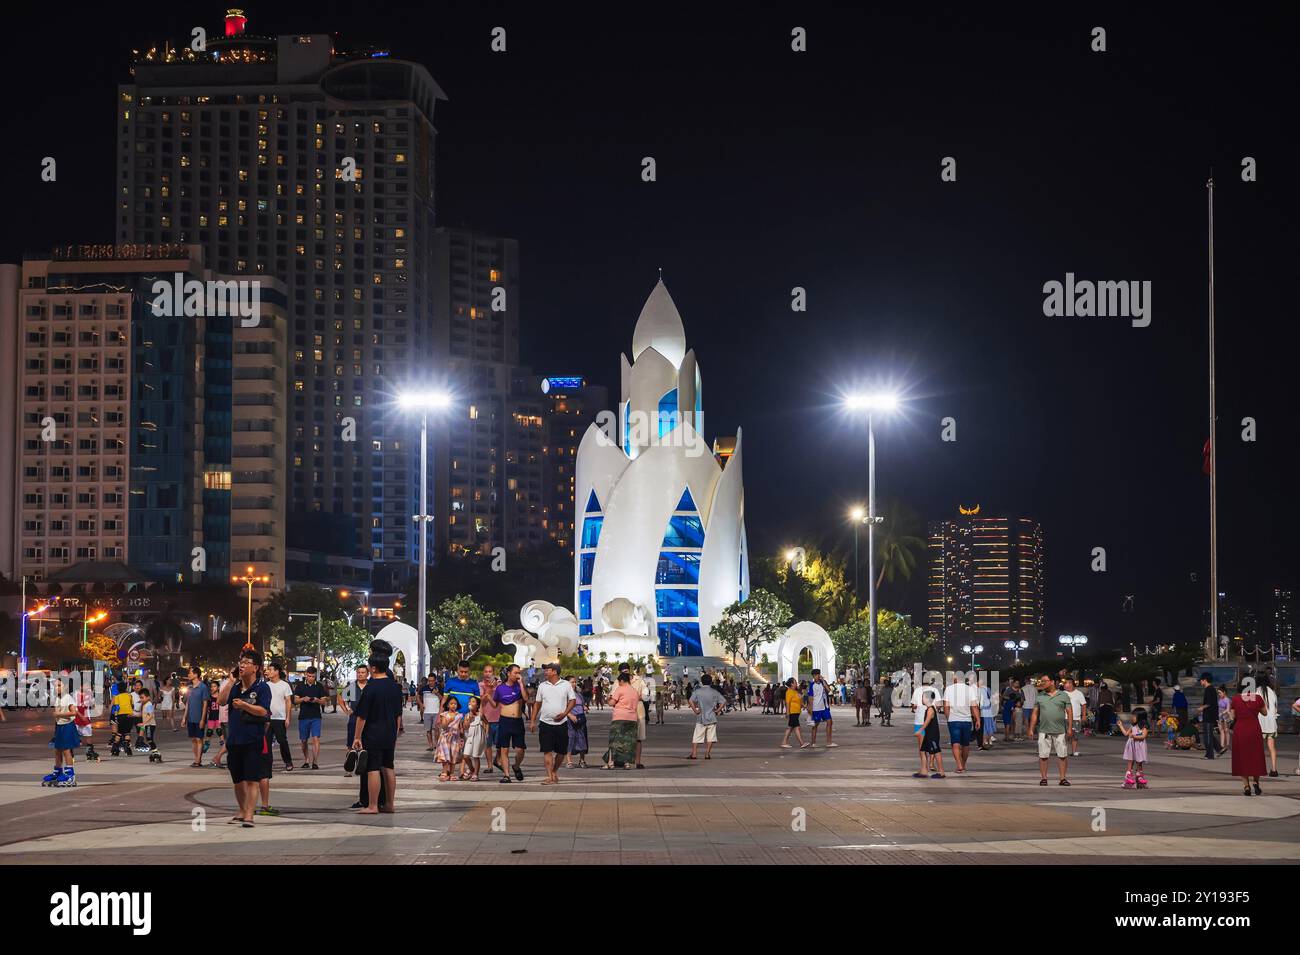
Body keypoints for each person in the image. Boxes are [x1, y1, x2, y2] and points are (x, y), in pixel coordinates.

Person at [217, 652, 272, 828]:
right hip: (234, 740)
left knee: (252, 779)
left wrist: (245, 706)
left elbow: (264, 711)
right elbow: (221, 701)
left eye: (247, 663)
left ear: (256, 668)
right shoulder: (235, 686)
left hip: (253, 739)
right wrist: (231, 681)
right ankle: (242, 811)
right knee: (237, 779)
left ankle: (249, 815)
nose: (242, 665)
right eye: (241, 662)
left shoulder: (262, 688)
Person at [351, 648, 405, 813]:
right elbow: (398, 715)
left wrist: (357, 737)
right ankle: (390, 804)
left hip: (373, 733)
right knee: (388, 767)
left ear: (373, 668)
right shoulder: (395, 687)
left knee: (373, 768)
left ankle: (373, 805)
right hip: (389, 734)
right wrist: (394, 734)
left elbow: (362, 716)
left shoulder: (371, 687)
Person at [531, 662, 577, 785]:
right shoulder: (542, 686)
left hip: (561, 723)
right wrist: (532, 720)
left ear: (555, 672)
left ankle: (554, 771)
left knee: (561, 752)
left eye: (547, 670)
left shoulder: (566, 685)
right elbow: (537, 703)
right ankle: (550, 776)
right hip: (545, 723)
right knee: (547, 750)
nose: (545, 672)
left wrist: (565, 713)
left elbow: (573, 700)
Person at [1029, 674, 1072, 786]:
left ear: (1052, 682)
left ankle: (1062, 778)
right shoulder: (1040, 697)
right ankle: (1044, 778)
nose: (1042, 683)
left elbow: (1069, 712)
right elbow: (1034, 714)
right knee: (1043, 756)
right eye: (1041, 681)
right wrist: (1031, 729)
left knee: (1062, 755)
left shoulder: (1063, 696)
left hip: (1060, 730)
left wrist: (1070, 728)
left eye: (1044, 681)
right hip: (1044, 730)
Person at [1228, 681, 1266, 796]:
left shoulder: (1235, 699)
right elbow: (1265, 713)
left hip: (1240, 730)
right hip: (1254, 729)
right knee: (1256, 756)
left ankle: (1246, 786)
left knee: (1242, 757)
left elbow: (1233, 716)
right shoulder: (1258, 698)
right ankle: (1256, 782)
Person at [493, 665, 529, 783]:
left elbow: (526, 698)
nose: (517, 675)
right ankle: (506, 775)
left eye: (519, 673)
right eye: (515, 673)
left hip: (517, 721)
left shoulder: (519, 687)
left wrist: (522, 684)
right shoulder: (500, 688)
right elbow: (495, 704)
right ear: (508, 673)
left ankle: (516, 766)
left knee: (520, 750)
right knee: (504, 749)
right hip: (504, 721)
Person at [44, 678, 81, 787]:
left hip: (67, 726)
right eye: (56, 686)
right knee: (57, 749)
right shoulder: (58, 698)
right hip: (60, 726)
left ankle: (70, 775)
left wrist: (59, 715)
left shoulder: (68, 698)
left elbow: (74, 712)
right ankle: (58, 771)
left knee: (66, 750)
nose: (57, 688)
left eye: (59, 685)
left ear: (66, 686)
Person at [942, 674, 979, 773]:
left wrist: (948, 717)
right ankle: (963, 765)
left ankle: (959, 765)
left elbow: (946, 706)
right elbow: (974, 706)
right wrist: (978, 719)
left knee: (955, 744)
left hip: (953, 720)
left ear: (955, 679)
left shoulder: (949, 689)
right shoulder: (970, 689)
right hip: (967, 720)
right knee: (965, 744)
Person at [604, 671, 639, 770]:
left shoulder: (620, 689)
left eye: (619, 681)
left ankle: (611, 762)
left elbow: (611, 703)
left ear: (622, 680)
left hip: (620, 718)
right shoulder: (634, 691)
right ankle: (626, 763)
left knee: (614, 740)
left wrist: (607, 698)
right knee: (628, 742)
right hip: (632, 719)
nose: (618, 683)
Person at [264, 660, 295, 773]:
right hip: (267, 719)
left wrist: (288, 717)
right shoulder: (265, 685)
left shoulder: (285, 685)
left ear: (277, 671)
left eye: (270, 669)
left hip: (280, 718)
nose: (268, 671)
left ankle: (288, 761)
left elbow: (288, 702)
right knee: (266, 743)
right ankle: (268, 764)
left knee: (282, 741)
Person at [293, 667, 326, 769]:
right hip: (303, 716)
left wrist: (317, 700)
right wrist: (303, 699)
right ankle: (306, 760)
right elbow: (295, 700)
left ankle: (315, 762)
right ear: (306, 675)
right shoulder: (300, 685)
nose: (311, 678)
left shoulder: (320, 686)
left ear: (315, 675)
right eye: (309, 676)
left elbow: (324, 701)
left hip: (316, 716)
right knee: (304, 740)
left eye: (312, 676)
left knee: (316, 738)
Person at [687, 673, 726, 760]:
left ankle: (694, 754)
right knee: (711, 737)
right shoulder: (714, 692)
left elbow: (690, 700)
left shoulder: (698, 691)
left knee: (697, 737)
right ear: (711, 682)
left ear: (702, 681)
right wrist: (717, 710)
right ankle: (707, 754)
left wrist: (695, 710)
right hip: (712, 717)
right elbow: (723, 701)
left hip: (701, 717)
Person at [339, 664, 369, 774]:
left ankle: (364, 767)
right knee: (350, 744)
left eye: (363, 672)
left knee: (365, 743)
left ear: (367, 674)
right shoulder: (352, 687)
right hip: (354, 718)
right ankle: (349, 769)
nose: (360, 674)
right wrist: (346, 709)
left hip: (367, 719)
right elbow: (340, 698)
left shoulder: (370, 686)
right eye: (359, 672)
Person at [913, 697, 945, 779]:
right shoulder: (927, 709)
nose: (921, 699)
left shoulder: (931, 709)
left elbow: (927, 722)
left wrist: (920, 730)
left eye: (923, 697)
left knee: (936, 751)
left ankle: (941, 772)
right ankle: (924, 771)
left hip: (933, 734)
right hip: (928, 734)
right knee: (923, 751)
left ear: (927, 699)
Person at [436, 696, 465, 781]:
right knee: (445, 756)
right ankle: (444, 772)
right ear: (448, 705)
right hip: (445, 738)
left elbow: (461, 728)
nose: (453, 705)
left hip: (455, 738)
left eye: (455, 704)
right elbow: (444, 726)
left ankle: (452, 773)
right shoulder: (444, 714)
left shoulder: (459, 715)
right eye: (451, 703)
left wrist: (461, 737)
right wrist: (449, 719)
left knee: (453, 756)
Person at [1118, 709, 1149, 789]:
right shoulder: (1133, 726)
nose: (1132, 717)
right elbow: (1126, 734)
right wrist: (1121, 726)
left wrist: (1134, 736)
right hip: (1131, 746)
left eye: (1134, 716)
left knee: (1139, 762)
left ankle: (1139, 777)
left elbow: (1143, 736)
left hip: (1140, 746)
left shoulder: (1144, 727)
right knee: (1130, 760)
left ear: (1140, 717)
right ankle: (1129, 776)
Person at [478, 663, 500, 774]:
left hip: (499, 718)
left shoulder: (499, 684)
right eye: (486, 671)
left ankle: (498, 760)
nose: (488, 674)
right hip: (486, 720)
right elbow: (481, 701)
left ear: (493, 673)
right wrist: (489, 690)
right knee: (488, 745)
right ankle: (490, 765)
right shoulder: (480, 685)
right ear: (483, 673)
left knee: (500, 744)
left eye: (490, 671)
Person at [805, 669, 836, 747]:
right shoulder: (812, 685)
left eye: (818, 674)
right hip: (816, 708)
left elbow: (829, 691)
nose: (817, 676)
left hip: (824, 707)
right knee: (815, 725)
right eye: (815, 675)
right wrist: (810, 708)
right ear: (813, 676)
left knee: (830, 722)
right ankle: (813, 743)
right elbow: (810, 697)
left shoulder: (823, 683)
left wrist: (824, 682)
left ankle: (829, 742)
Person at [1257, 675, 1280, 777]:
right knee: (1272, 747)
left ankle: (1259, 768)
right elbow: (1275, 709)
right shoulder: (1272, 692)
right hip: (1271, 724)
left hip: (1259, 723)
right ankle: (1274, 769)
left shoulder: (1256, 691)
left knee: (1258, 748)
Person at [565, 675, 589, 768]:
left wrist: (584, 708)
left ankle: (582, 760)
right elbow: (562, 707)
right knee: (571, 738)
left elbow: (582, 704)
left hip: (581, 718)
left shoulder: (578, 694)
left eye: (575, 682)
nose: (574, 684)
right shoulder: (565, 694)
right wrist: (570, 715)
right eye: (572, 682)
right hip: (570, 719)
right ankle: (569, 761)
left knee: (582, 738)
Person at [462, 696, 487, 780]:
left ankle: (476, 773)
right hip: (470, 737)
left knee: (476, 756)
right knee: (466, 755)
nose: (470, 703)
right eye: (470, 701)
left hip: (478, 737)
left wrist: (487, 733)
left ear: (477, 705)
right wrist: (469, 719)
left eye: (473, 701)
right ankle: (471, 769)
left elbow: (487, 723)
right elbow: (465, 727)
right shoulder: (467, 715)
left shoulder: (480, 715)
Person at [1197, 673, 1221, 760]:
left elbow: (1209, 703)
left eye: (1201, 680)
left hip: (1209, 715)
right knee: (1209, 734)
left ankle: (1209, 754)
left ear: (1205, 680)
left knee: (1207, 735)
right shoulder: (1211, 689)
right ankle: (1219, 749)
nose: (1200, 682)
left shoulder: (1209, 689)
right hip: (1211, 715)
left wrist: (1201, 708)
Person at [780, 678, 810, 748]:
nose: (797, 683)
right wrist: (787, 712)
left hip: (797, 712)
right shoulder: (789, 692)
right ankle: (801, 743)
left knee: (790, 728)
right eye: (795, 682)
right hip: (792, 712)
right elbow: (787, 702)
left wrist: (804, 705)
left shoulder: (795, 692)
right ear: (791, 684)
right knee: (797, 727)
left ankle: (784, 742)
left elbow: (799, 701)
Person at [418, 674, 442, 753]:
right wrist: (421, 704)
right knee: (428, 730)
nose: (430, 682)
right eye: (429, 681)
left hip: (436, 712)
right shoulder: (424, 688)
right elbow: (417, 695)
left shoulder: (439, 688)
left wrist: (437, 693)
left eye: (432, 681)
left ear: (435, 680)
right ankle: (430, 745)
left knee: (436, 729)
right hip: (427, 712)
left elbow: (442, 699)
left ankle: (436, 744)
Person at [1063, 678, 1087, 757]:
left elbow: (1083, 705)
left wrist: (1083, 716)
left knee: (1075, 736)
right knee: (1066, 735)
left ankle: (1074, 751)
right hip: (1065, 717)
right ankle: (1063, 751)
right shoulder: (1063, 694)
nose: (1064, 685)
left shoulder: (1079, 693)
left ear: (1070, 684)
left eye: (1065, 683)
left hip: (1076, 718)